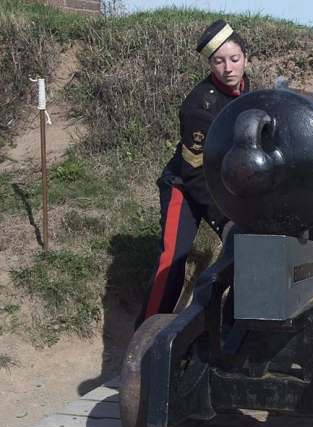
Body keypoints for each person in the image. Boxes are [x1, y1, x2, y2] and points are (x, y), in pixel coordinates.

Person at [135, 20, 249, 329]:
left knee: (250, 246)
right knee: (172, 260)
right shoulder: (200, 106)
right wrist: (222, 220)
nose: (228, 68)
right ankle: (144, 338)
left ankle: (234, 328)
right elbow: (194, 172)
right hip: (184, 186)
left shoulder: (246, 90)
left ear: (246, 58)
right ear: (210, 64)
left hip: (222, 182)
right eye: (219, 61)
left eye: (234, 59)